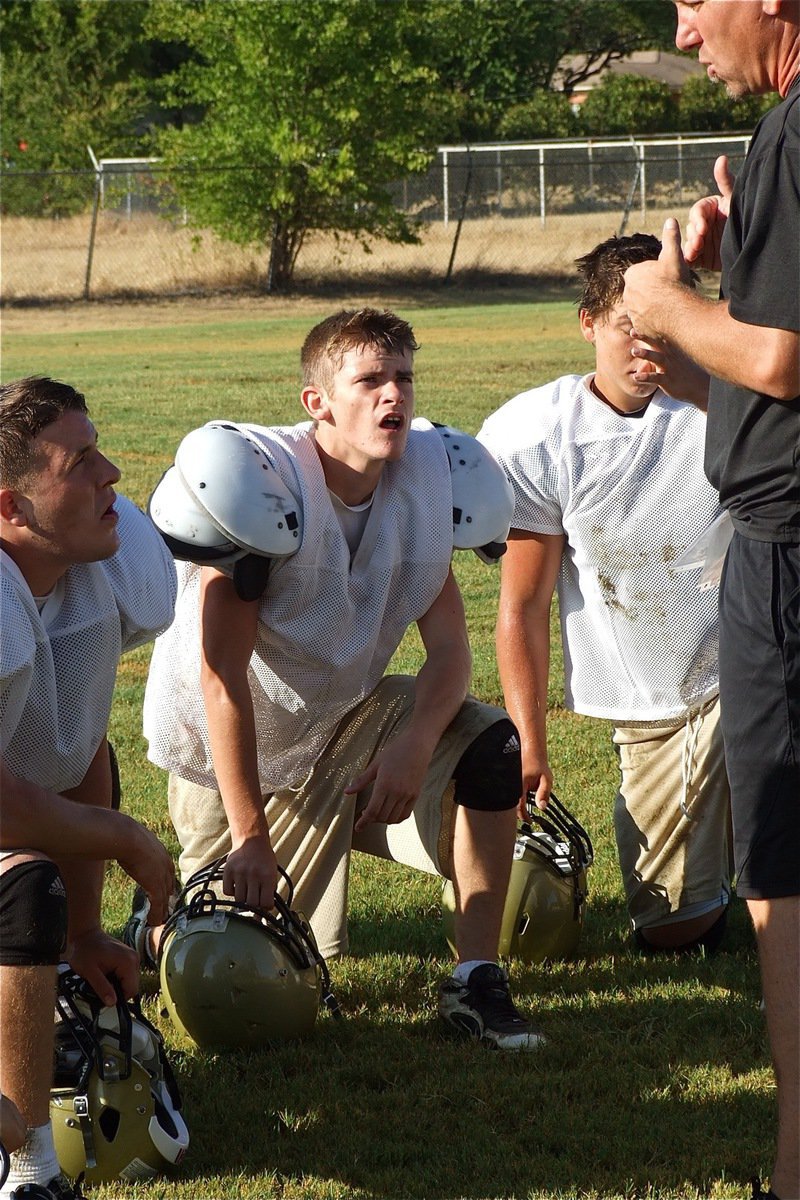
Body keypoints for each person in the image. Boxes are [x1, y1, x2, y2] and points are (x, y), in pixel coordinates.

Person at [140, 306, 542, 1051]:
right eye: (369, 381)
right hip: (231, 746)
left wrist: (418, 739)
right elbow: (221, 678)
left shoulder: (424, 478)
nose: (393, 396)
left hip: (343, 721)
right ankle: (156, 919)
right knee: (237, 984)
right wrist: (249, 834)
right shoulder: (262, 490)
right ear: (317, 402)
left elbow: (450, 652)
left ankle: (475, 980)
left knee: (491, 746)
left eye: (403, 379)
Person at [622, 5, 800, 1198]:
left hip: (787, 556)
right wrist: (706, 306)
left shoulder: (794, 131)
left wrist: (657, 297)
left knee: (783, 858)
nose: (683, 31)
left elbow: (784, 361)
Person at [477, 233, 731, 956]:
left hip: (755, 657)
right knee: (677, 927)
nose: (649, 349)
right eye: (630, 327)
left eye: (665, 327)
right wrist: (529, 740)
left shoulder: (727, 397)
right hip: (658, 694)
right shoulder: (541, 435)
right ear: (587, 322)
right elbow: (521, 607)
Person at [0, 376, 178, 1199]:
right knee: (19, 887)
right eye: (80, 462)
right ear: (10, 508)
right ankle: (26, 1165)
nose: (111, 475)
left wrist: (82, 935)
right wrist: (130, 839)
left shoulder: (93, 570)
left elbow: (73, 748)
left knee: (33, 892)